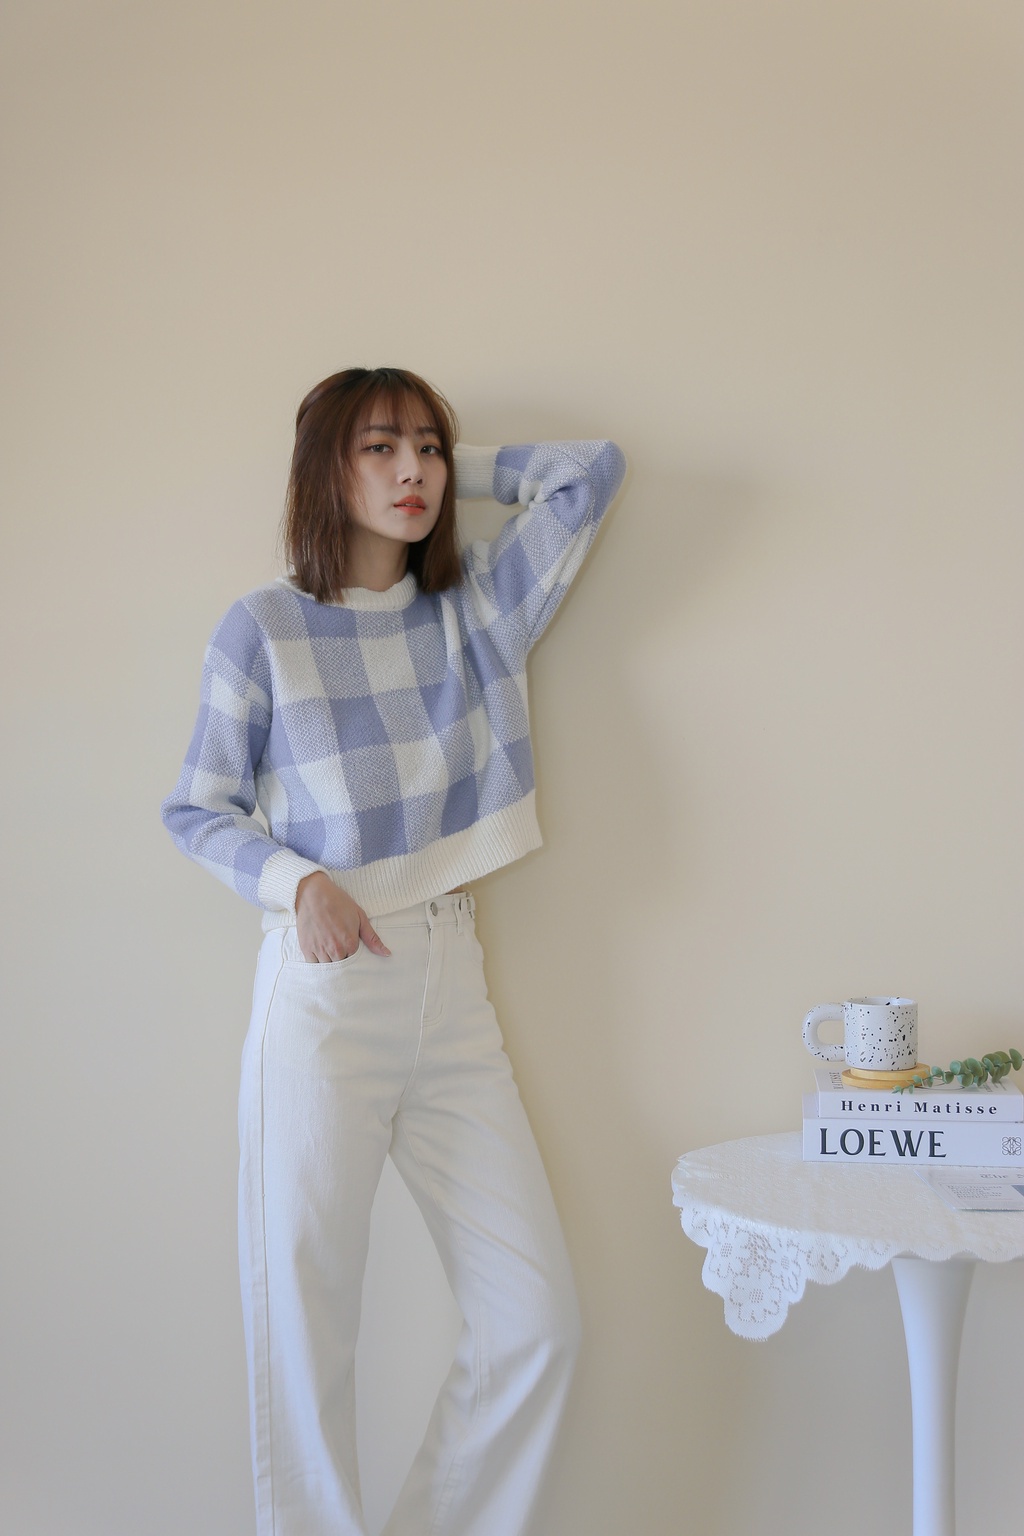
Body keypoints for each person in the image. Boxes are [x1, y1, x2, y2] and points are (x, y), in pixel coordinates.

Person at [162, 366, 626, 1536]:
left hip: (452, 985)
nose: (411, 468)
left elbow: (587, 475)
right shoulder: (264, 628)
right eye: (379, 447)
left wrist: (438, 472)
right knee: (306, 1326)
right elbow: (197, 808)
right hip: (323, 996)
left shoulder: (476, 611)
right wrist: (299, 882)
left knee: (537, 1323)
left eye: (425, 445)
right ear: (325, 468)